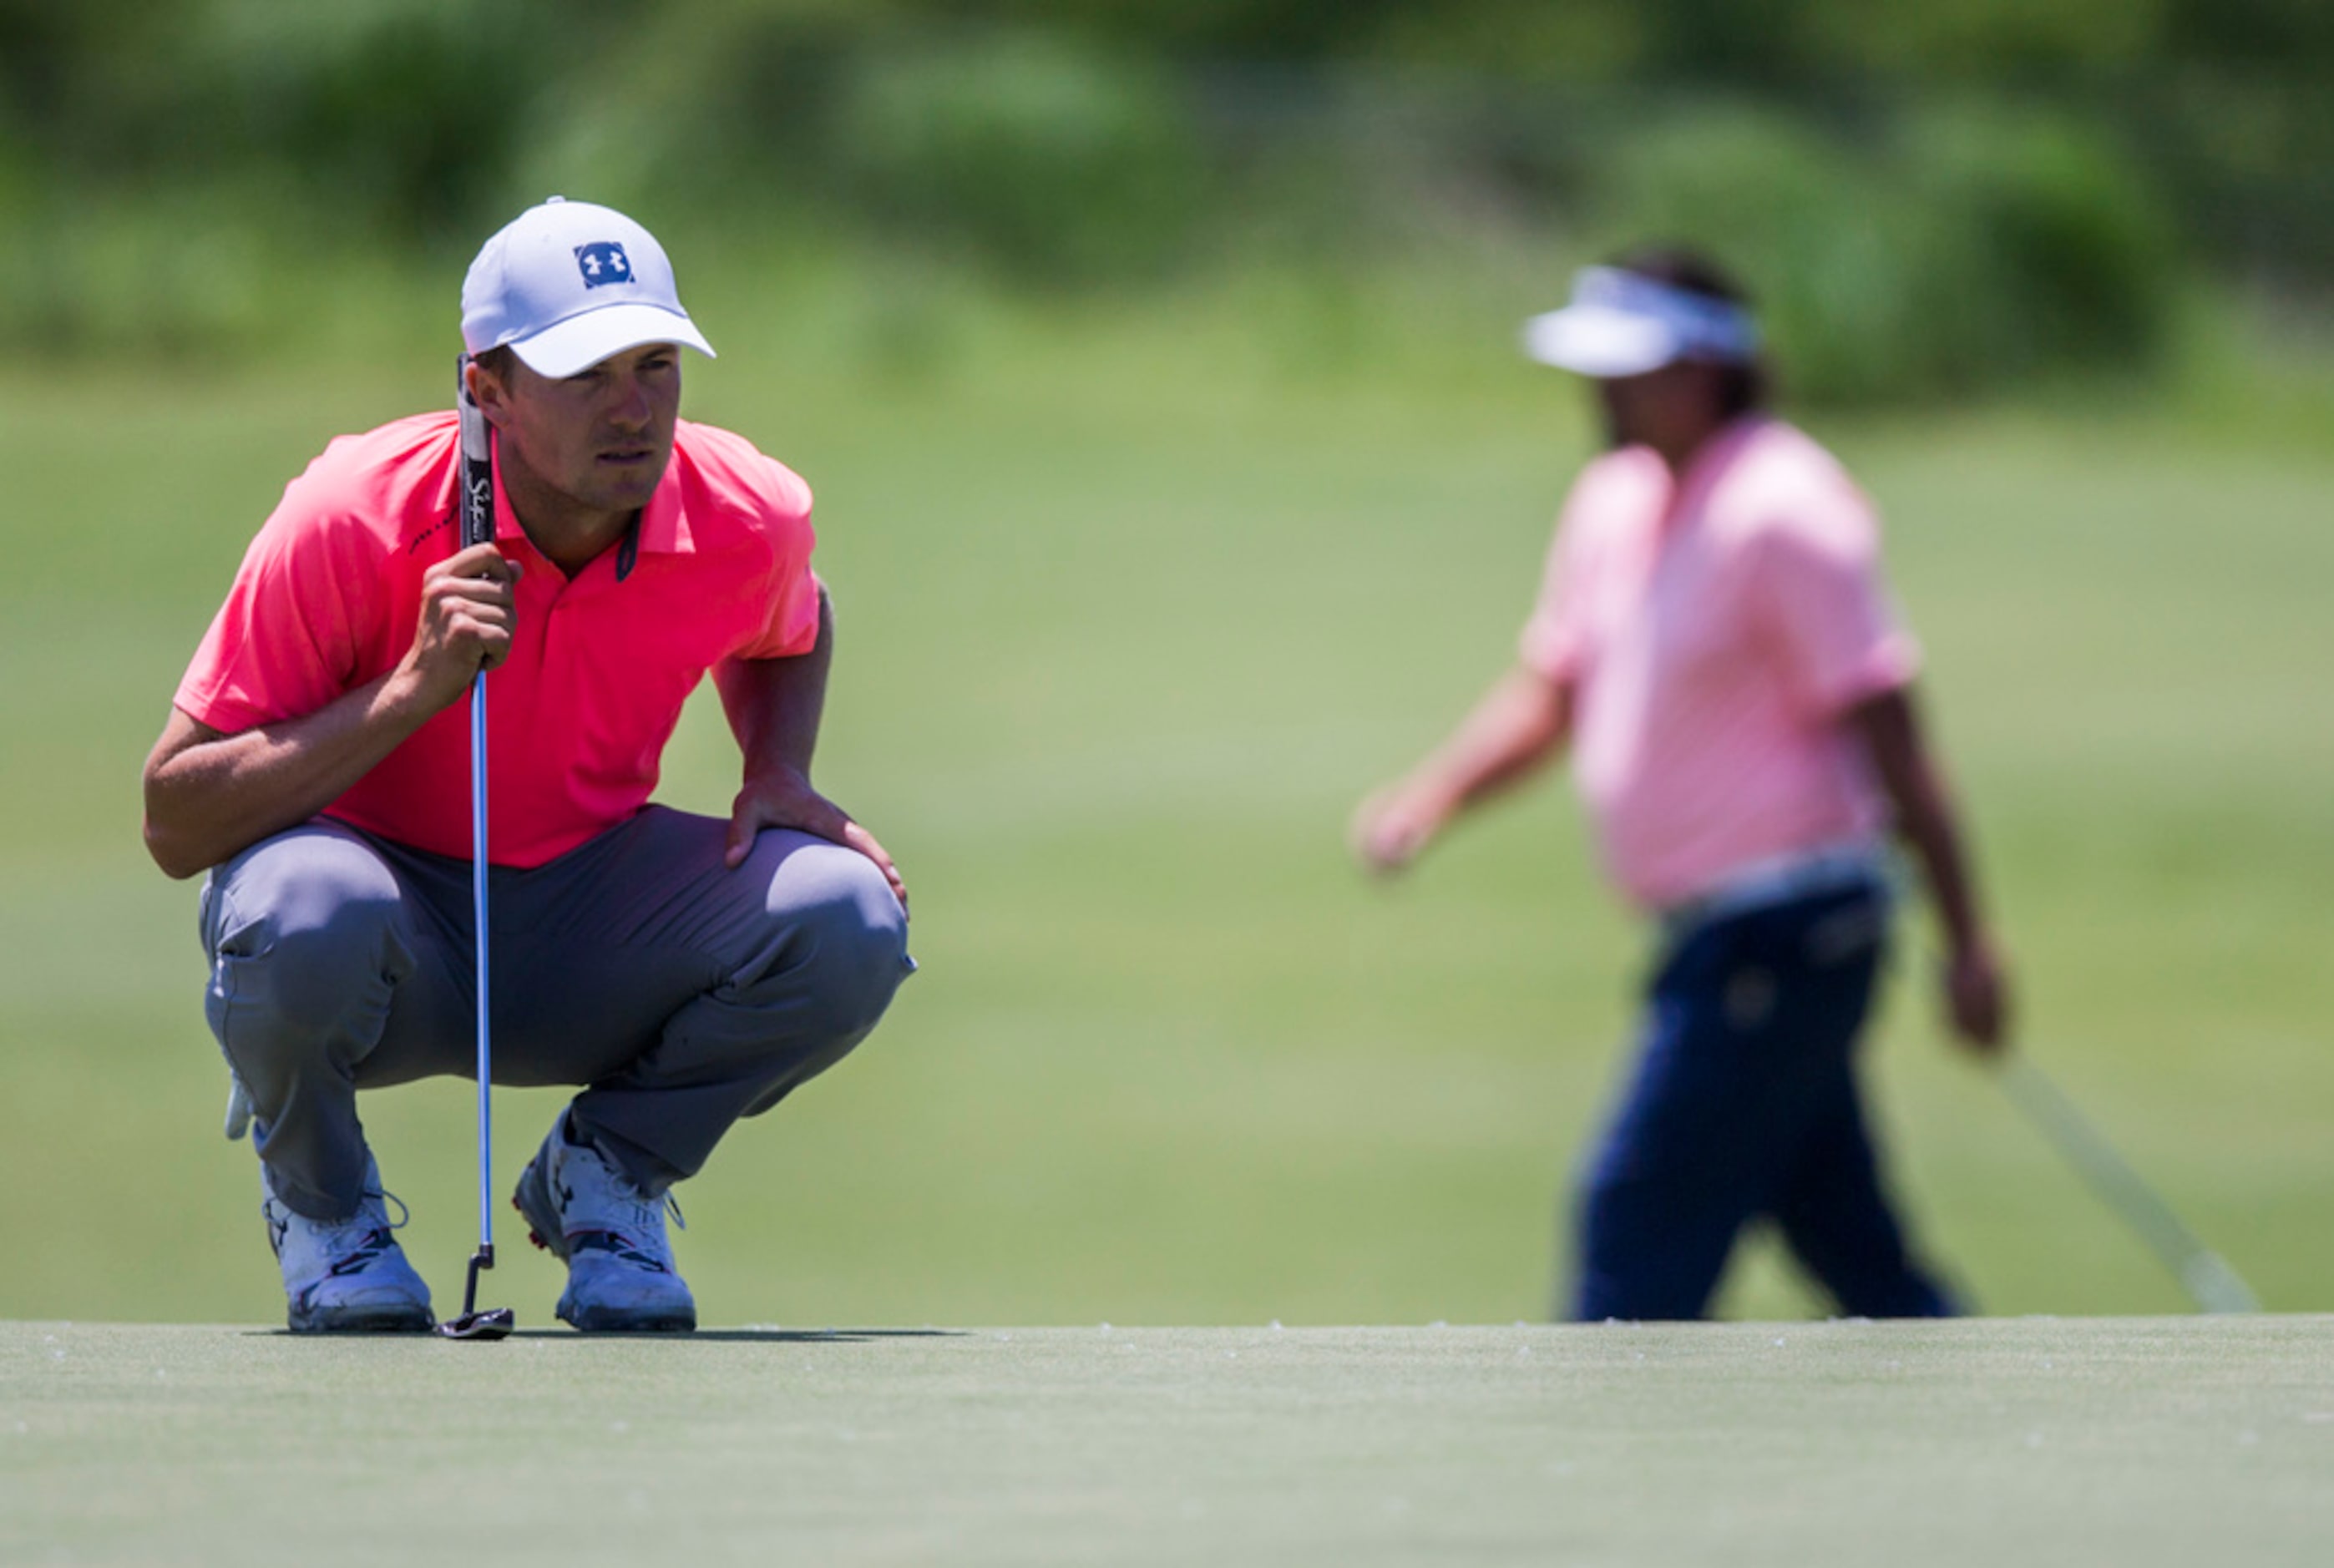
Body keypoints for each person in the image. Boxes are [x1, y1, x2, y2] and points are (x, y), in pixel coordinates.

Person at [142, 197, 915, 1334]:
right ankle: (326, 1209)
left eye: (656, 364)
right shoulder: (351, 514)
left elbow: (792, 621)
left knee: (849, 912)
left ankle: (604, 1175)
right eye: (585, 372)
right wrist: (408, 690)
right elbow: (174, 818)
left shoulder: (748, 509)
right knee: (303, 904)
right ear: (485, 389)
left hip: (592, 918)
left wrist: (776, 766)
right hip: (378, 936)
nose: (634, 407)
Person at [1350, 251, 2010, 1322]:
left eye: (1630, 370)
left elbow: (1891, 731)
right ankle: (1984, 1439)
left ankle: (1602, 1482)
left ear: (1709, 366)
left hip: (1789, 929)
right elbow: (1556, 691)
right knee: (1852, 1249)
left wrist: (1969, 942)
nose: (1600, 393)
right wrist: (1432, 798)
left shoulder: (1784, 507)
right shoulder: (1612, 498)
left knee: (1636, 1219)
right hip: (1715, 933)